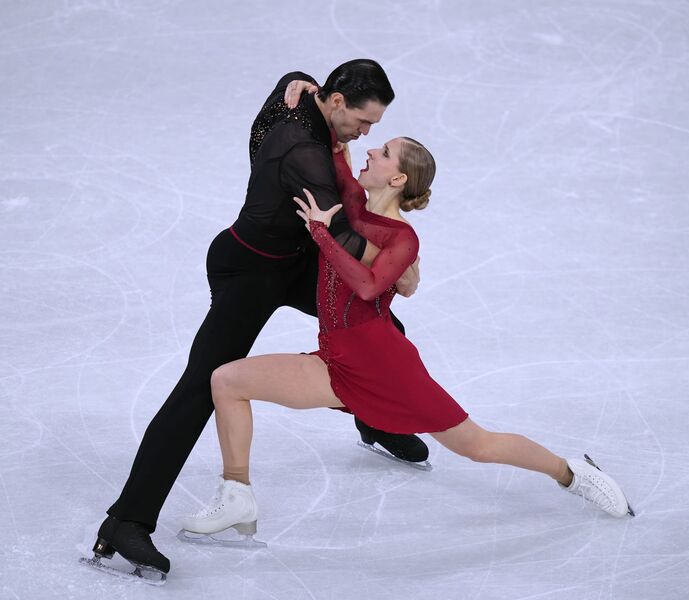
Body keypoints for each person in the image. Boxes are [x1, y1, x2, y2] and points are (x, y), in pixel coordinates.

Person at [180, 136, 634, 542]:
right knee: (228, 380)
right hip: (336, 356)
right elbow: (336, 151)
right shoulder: (353, 205)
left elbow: (367, 287)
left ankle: (571, 472)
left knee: (475, 445)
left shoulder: (403, 238)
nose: (372, 151)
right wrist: (303, 89)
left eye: (384, 152)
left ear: (397, 177)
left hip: (382, 363)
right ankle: (237, 495)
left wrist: (321, 231)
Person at [85, 59, 429, 582]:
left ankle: (374, 419)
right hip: (251, 268)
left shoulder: (302, 98)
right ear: (336, 103)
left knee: (382, 333)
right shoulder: (303, 152)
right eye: (363, 123)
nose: (366, 136)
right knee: (202, 386)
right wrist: (400, 263)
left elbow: (288, 81)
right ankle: (126, 522)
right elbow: (343, 235)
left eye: (374, 130)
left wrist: (299, 77)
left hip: (294, 259)